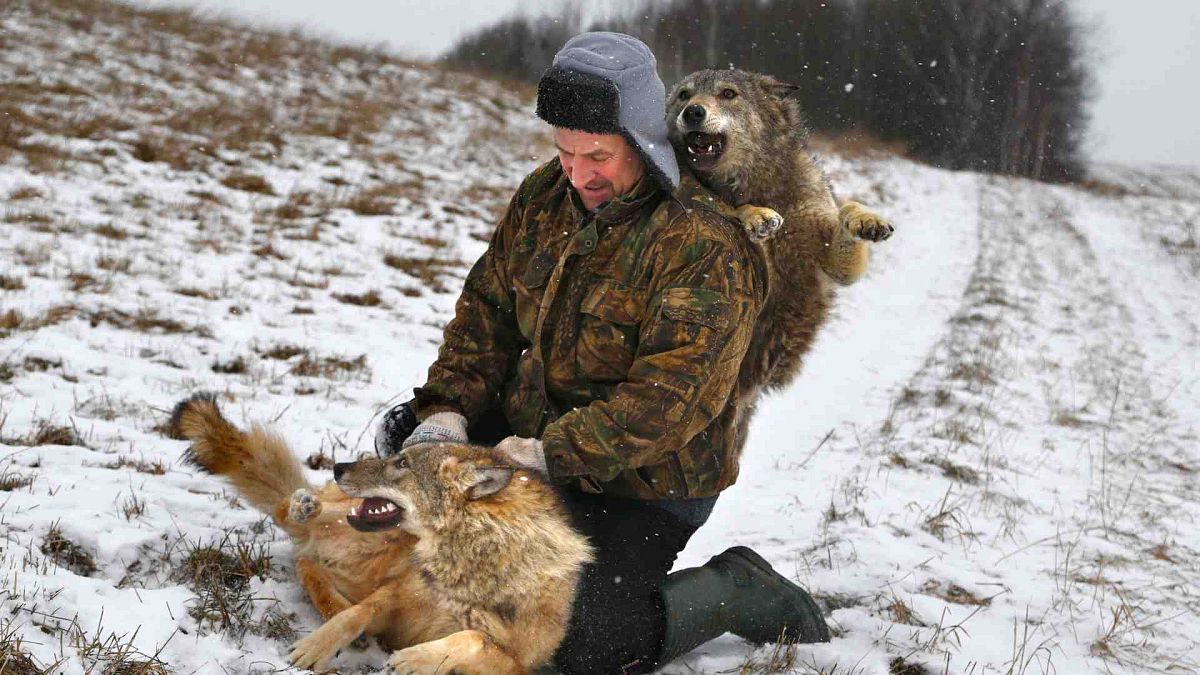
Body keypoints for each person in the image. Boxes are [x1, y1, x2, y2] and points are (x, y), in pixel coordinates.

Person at [374, 32, 829, 674]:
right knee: (405, 458)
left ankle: (732, 591)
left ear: (644, 140)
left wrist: (549, 455)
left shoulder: (704, 241)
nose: (579, 174)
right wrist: (446, 410)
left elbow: (667, 405)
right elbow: (487, 311)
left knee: (578, 637)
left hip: (644, 482)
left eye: (598, 155)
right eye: (563, 152)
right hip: (533, 430)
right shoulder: (547, 194)